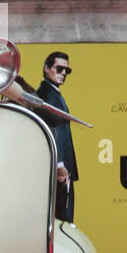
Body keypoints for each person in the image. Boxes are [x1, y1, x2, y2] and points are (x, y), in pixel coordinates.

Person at [37, 51, 78, 222]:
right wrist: (59, 163)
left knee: (64, 217)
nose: (63, 73)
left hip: (62, 167)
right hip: (60, 169)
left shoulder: (53, 93)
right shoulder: (47, 94)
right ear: (46, 69)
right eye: (59, 68)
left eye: (66, 71)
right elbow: (51, 129)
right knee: (62, 219)